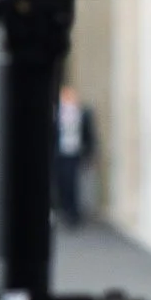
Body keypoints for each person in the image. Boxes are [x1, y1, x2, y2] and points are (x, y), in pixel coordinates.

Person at [54, 84, 96, 227]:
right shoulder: (58, 113)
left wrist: (90, 153)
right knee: (63, 182)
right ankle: (65, 208)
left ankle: (74, 212)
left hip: (75, 153)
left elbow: (89, 134)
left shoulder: (83, 113)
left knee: (73, 182)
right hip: (61, 154)